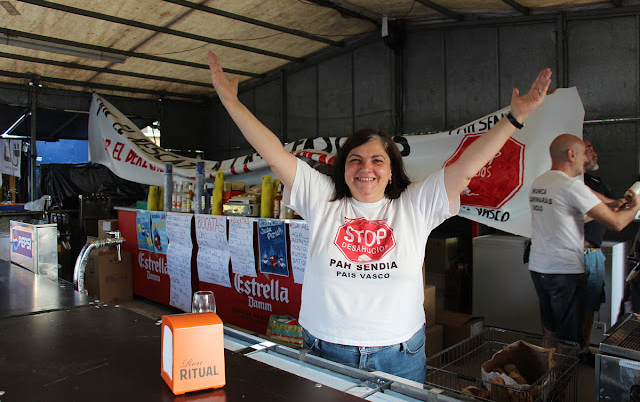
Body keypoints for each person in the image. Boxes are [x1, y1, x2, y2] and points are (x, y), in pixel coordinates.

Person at [209, 50, 551, 382]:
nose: (366, 168)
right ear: (343, 169)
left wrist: (514, 118)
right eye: (355, 159)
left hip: (398, 354)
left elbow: (465, 169)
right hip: (325, 348)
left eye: (377, 160)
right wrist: (230, 101)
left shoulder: (414, 205)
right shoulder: (323, 199)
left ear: (391, 171)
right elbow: (273, 151)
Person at [528, 134, 640, 355]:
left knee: (550, 331)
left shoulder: (540, 182)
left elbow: (588, 201)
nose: (586, 159)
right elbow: (617, 224)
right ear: (571, 154)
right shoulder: (571, 187)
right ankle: (557, 387)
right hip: (564, 271)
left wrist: (616, 203)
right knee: (569, 342)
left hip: (540, 268)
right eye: (583, 153)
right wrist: (636, 206)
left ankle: (541, 379)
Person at [581, 140, 619, 362]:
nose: (595, 153)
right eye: (589, 149)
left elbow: (613, 205)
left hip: (594, 255)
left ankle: (583, 350)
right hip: (572, 255)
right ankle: (558, 355)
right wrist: (605, 211)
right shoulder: (570, 182)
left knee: (590, 305)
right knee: (567, 307)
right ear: (573, 153)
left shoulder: (597, 182)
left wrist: (629, 201)